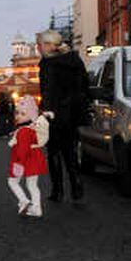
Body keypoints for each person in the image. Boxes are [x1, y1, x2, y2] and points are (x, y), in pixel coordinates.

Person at [37, 29, 90, 202]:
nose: (38, 48)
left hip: (55, 114)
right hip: (72, 114)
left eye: (40, 44)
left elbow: (48, 92)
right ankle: (76, 186)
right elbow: (84, 86)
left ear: (48, 45)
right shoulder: (74, 61)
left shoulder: (48, 64)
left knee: (54, 153)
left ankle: (57, 191)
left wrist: (46, 110)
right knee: (70, 151)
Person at [7, 95, 49, 217]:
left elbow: (22, 150)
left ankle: (24, 200)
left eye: (22, 114)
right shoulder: (32, 129)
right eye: (17, 113)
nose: (18, 116)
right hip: (34, 160)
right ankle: (36, 208)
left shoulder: (23, 131)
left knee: (12, 182)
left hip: (22, 161)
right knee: (32, 185)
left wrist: (18, 164)